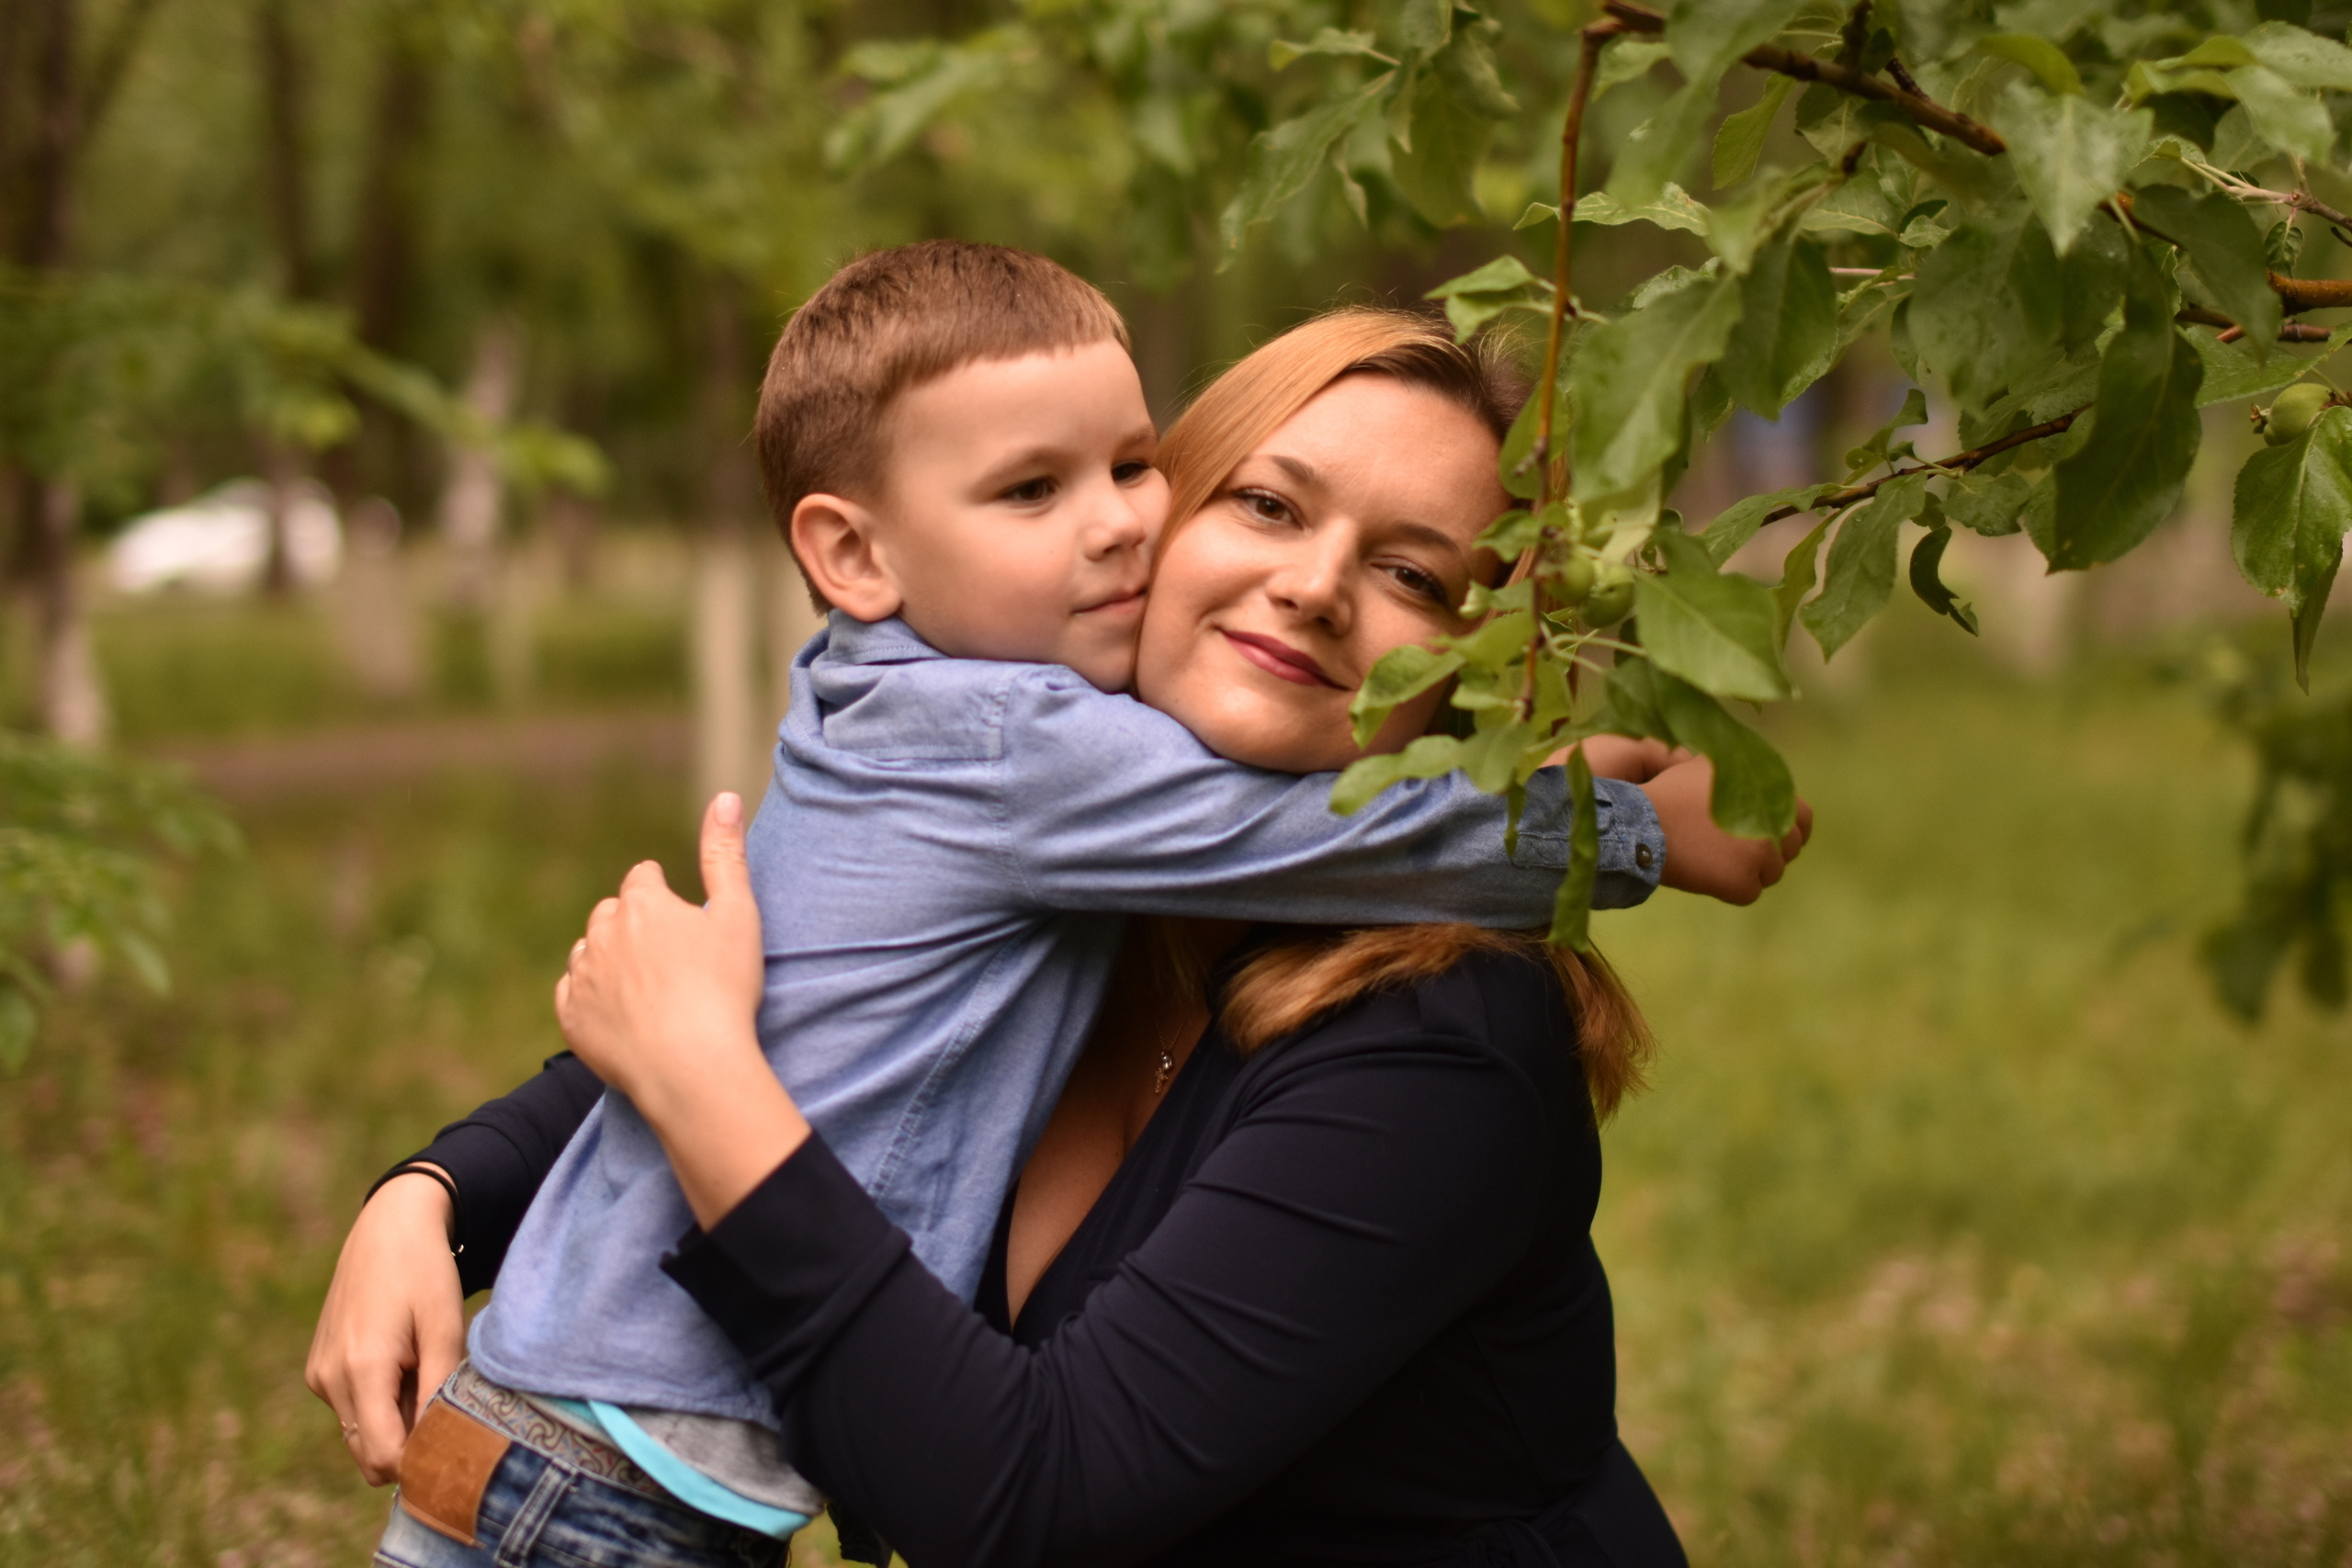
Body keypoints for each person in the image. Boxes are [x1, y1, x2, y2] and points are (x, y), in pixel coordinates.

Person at [315, 306, 1811, 1568]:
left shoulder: (1439, 1040)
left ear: (1480, 672)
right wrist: (430, 1198)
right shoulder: (1086, 892)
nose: (1313, 584)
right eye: (1271, 505)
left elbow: (1030, 1502)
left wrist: (715, 1100)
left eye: (1418, 576)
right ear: (1150, 531)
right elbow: (772, 1029)